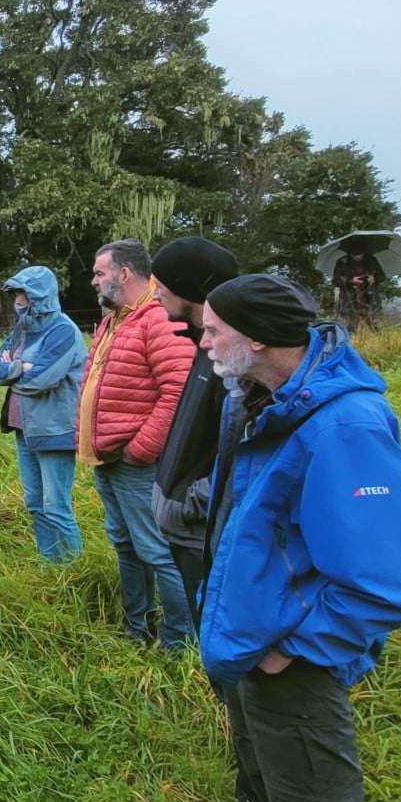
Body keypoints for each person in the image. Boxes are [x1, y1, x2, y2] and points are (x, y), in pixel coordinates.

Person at [199, 274, 401, 802]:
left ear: (258, 336)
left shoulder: (343, 424)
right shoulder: (269, 401)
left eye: (212, 329)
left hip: (293, 655)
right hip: (258, 638)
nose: (201, 338)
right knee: (293, 792)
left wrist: (293, 649)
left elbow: (386, 582)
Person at [79, 239, 196, 650]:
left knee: (157, 551)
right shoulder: (115, 320)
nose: (93, 281)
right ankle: (136, 629)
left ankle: (177, 642)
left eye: (99, 273)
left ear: (124, 274)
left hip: (135, 461)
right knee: (126, 545)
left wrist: (140, 449)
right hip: (109, 458)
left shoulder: (157, 318)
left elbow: (178, 391)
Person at [146, 237, 240, 609]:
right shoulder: (204, 345)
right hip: (189, 526)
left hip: (204, 530)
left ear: (189, 287)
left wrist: (194, 501)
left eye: (161, 287)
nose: (155, 297)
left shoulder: (233, 357)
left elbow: (240, 447)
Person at [0, 266, 87, 563]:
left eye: (21, 293)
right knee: (35, 503)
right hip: (25, 428)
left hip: (54, 428)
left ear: (37, 296)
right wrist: (20, 368)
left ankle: (73, 569)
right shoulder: (22, 330)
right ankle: (50, 563)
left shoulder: (62, 330)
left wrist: (15, 368)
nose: (17, 300)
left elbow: (41, 381)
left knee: (56, 505)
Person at [332, 238, 385, 329]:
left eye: (360, 254)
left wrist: (374, 279)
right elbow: (335, 281)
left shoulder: (371, 260)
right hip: (349, 300)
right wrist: (350, 281)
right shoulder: (342, 262)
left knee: (374, 327)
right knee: (350, 328)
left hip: (370, 298)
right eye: (354, 255)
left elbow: (382, 276)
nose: (357, 257)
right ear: (350, 253)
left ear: (364, 253)